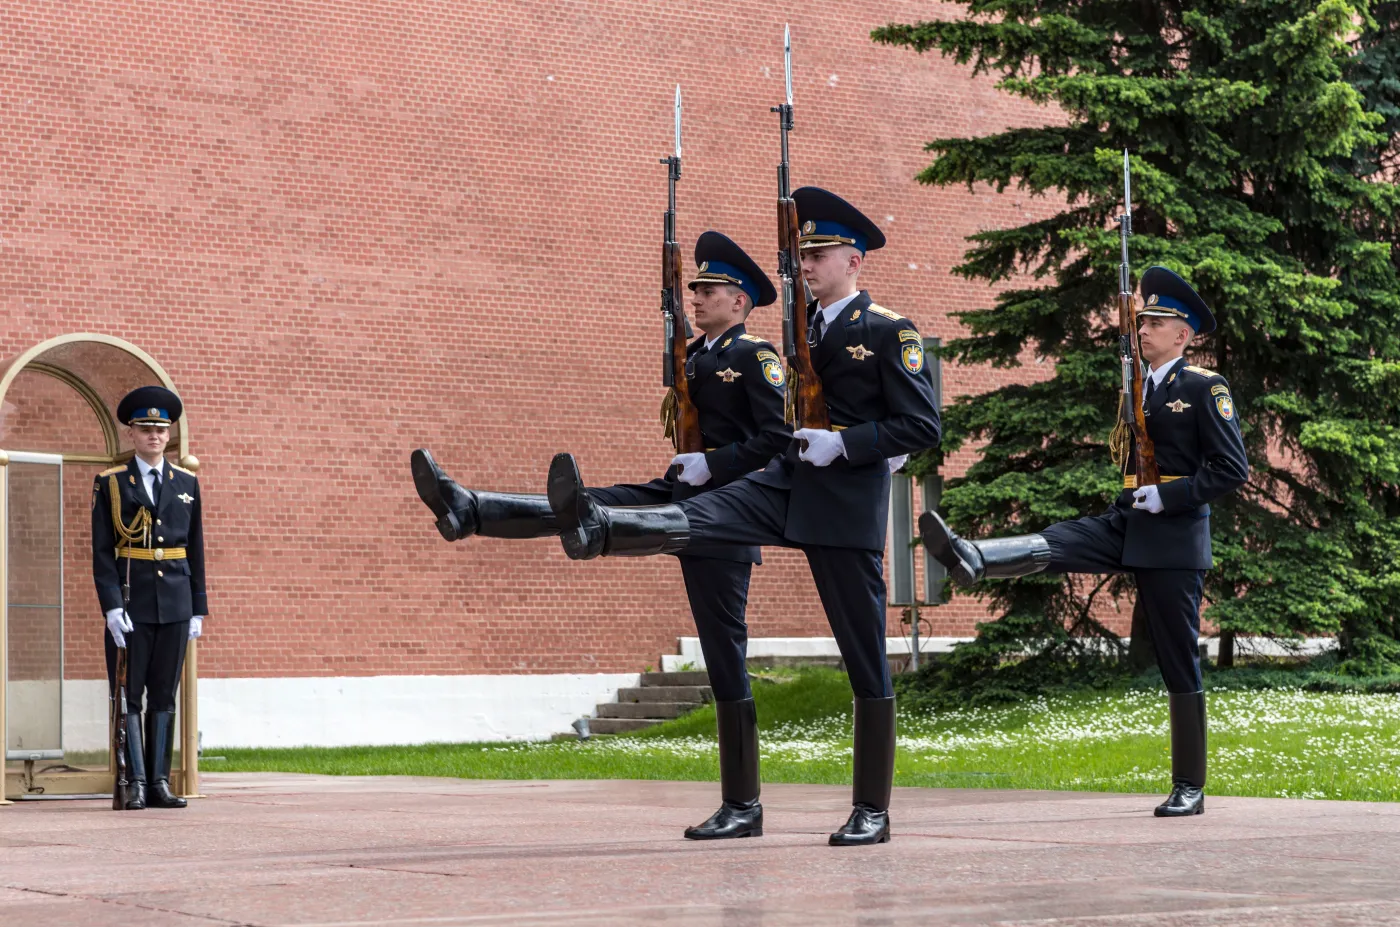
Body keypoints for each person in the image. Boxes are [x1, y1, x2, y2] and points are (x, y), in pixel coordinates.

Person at [544, 188, 940, 846]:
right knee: (700, 512)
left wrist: (846, 444)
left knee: (865, 660)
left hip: (843, 506)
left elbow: (921, 423)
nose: (807, 265)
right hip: (787, 482)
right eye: (803, 255)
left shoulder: (885, 330)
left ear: (854, 260)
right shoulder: (799, 337)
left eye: (819, 254)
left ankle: (872, 806)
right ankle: (602, 530)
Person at [411, 232, 790, 839]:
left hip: (726, 513)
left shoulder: (756, 355)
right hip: (685, 494)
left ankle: (743, 804)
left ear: (740, 301)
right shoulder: (695, 356)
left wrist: (712, 464)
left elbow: (778, 437)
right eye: (692, 290)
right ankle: (472, 508)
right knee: (589, 502)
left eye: (708, 290)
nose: (697, 298)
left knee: (724, 657)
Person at [919, 266, 1248, 817]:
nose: (1144, 330)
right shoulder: (1137, 387)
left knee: (1177, 663)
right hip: (1127, 519)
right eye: (1142, 321)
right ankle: (974, 557)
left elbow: (1231, 468)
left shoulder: (1204, 387)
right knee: (1060, 541)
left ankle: (1189, 785)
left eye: (1157, 323)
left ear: (1183, 335)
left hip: (1172, 537)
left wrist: (1171, 497)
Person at [93, 386, 207, 810]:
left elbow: (195, 547)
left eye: (161, 429)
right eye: (146, 429)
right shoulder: (111, 483)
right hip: (132, 601)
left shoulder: (187, 483)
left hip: (176, 601)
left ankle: (159, 781)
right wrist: (111, 606)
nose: (155, 436)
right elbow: (102, 551)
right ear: (131, 434)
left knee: (165, 691)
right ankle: (135, 781)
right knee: (130, 693)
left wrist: (198, 606)